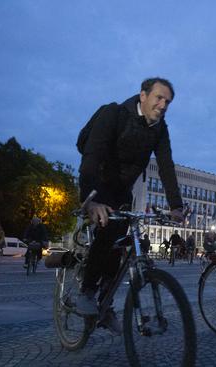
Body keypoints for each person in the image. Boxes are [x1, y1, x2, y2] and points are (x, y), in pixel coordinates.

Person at [76, 77, 184, 335]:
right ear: (143, 95)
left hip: (123, 188)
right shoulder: (114, 113)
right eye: (158, 97)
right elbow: (91, 157)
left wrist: (176, 206)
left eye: (167, 101)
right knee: (107, 231)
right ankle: (87, 291)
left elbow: (166, 165)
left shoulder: (159, 128)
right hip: (99, 182)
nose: (163, 104)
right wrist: (91, 201)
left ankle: (106, 303)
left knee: (123, 242)